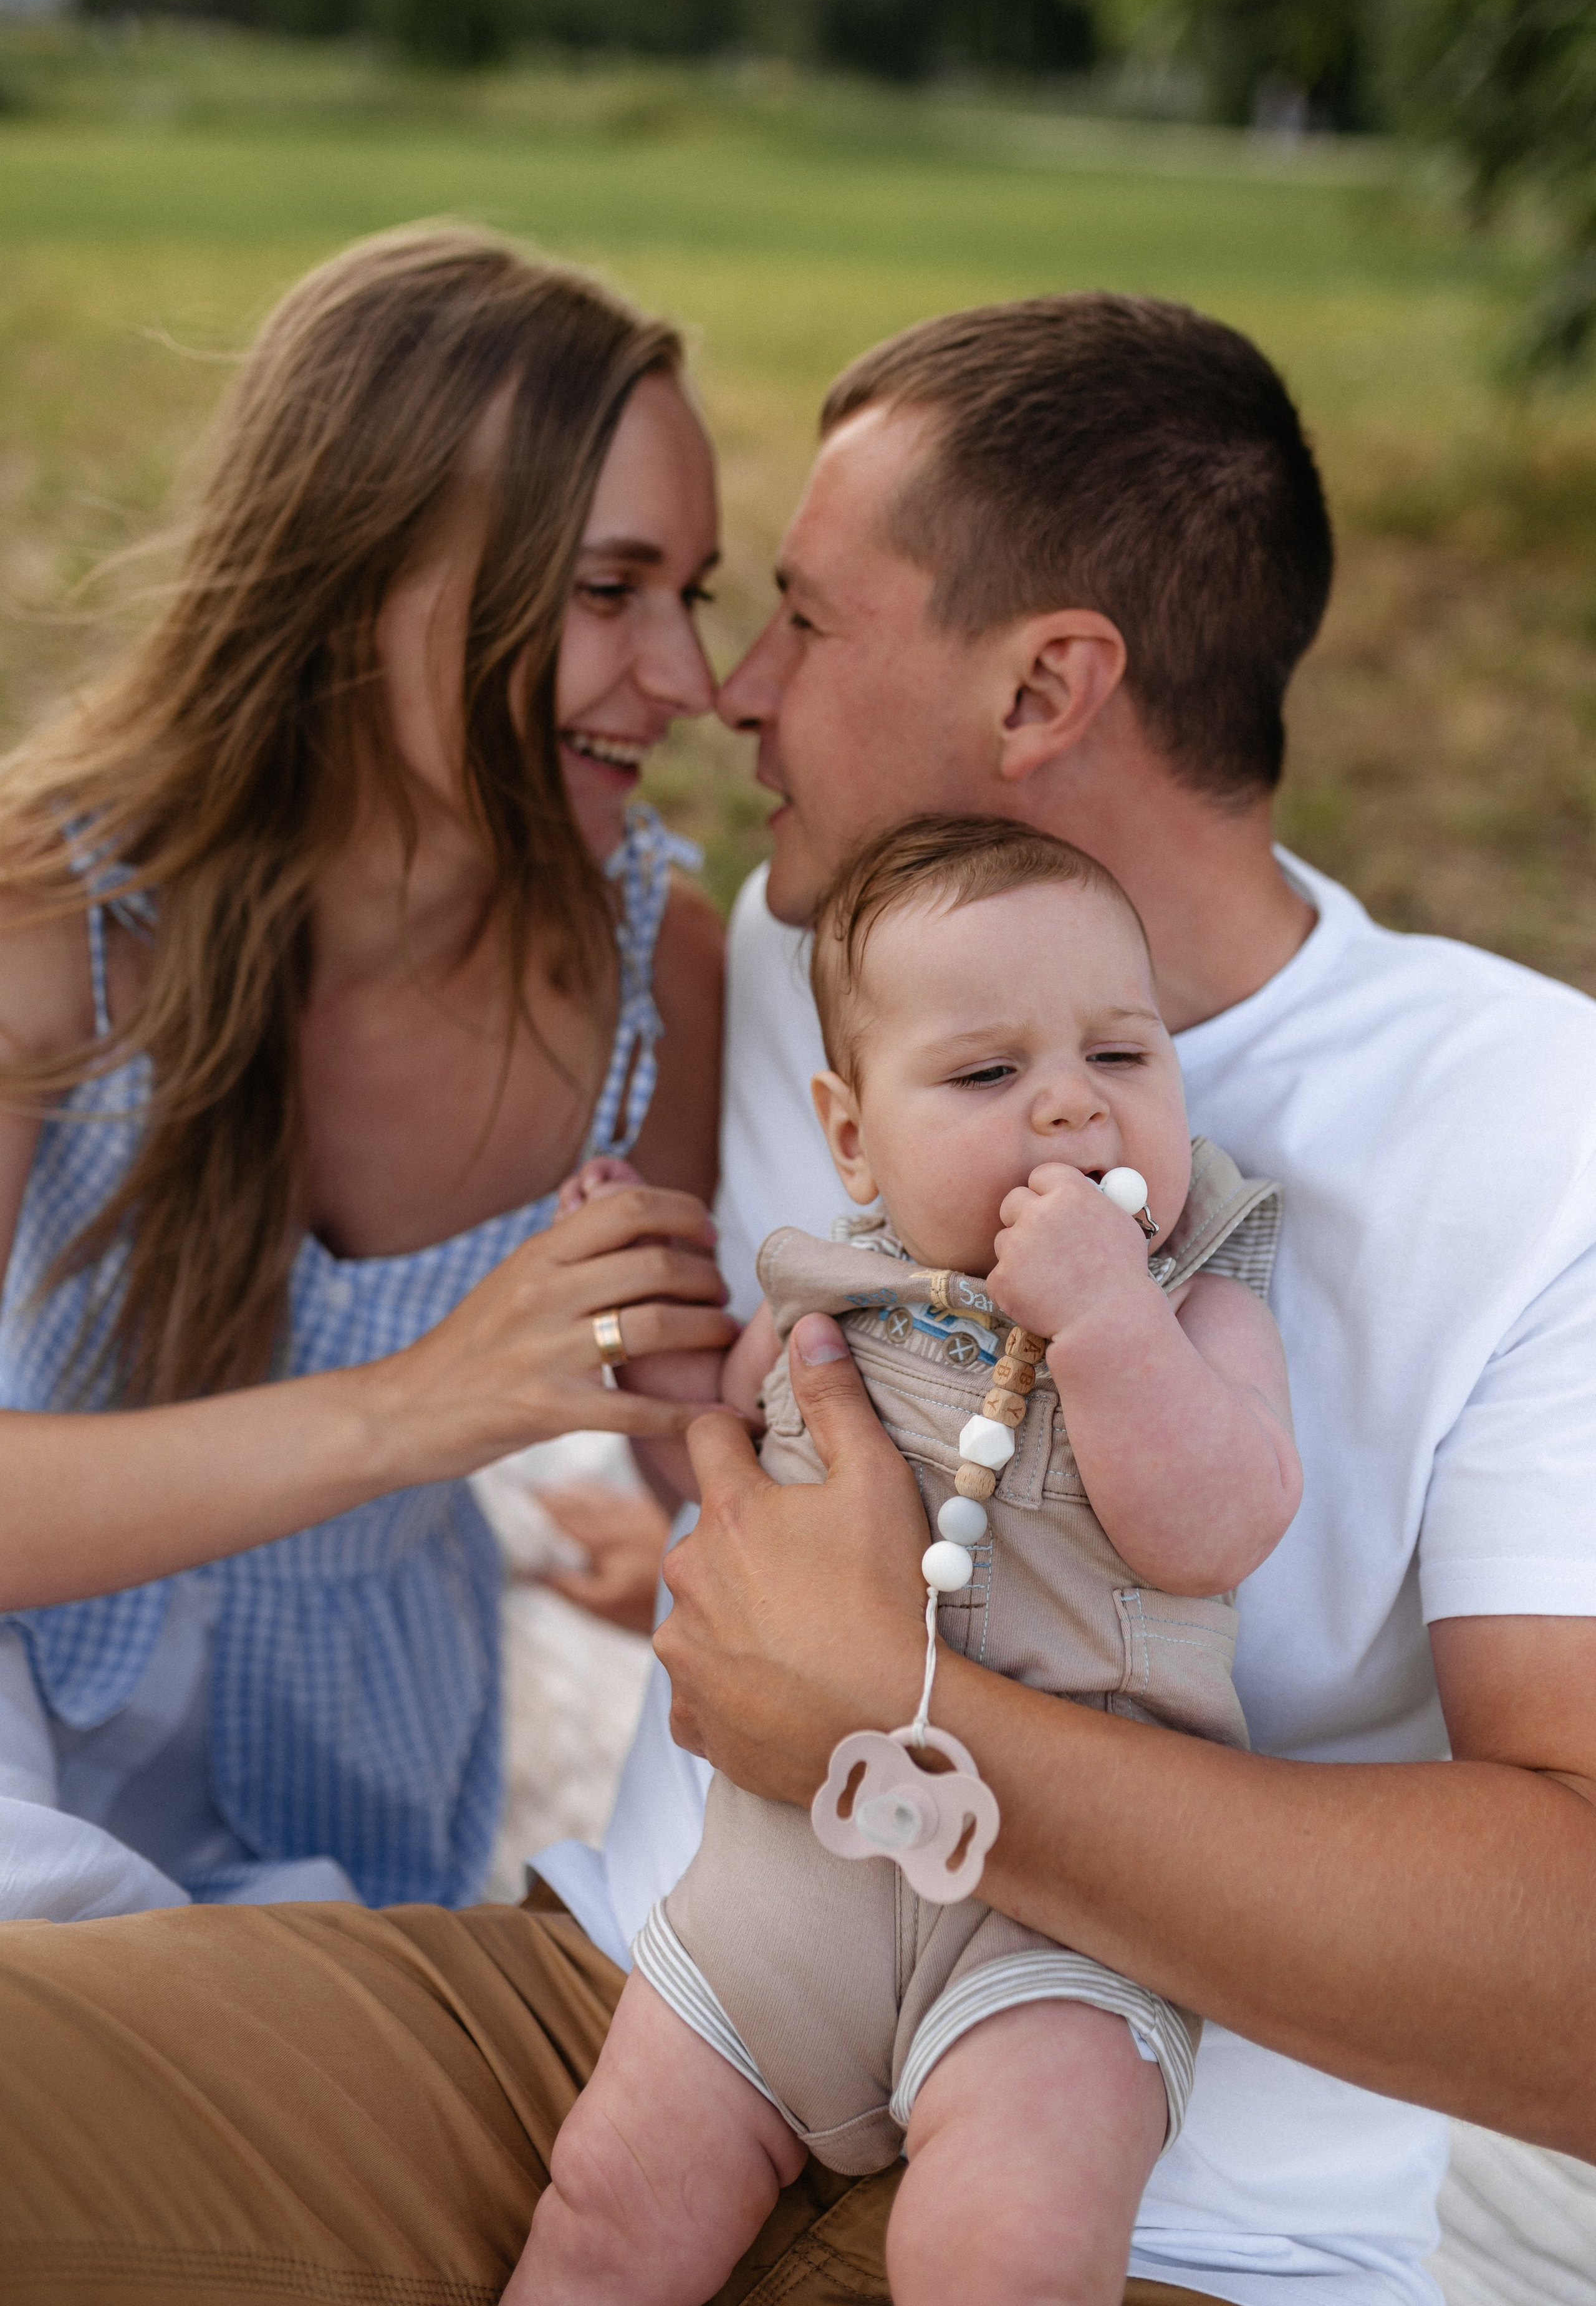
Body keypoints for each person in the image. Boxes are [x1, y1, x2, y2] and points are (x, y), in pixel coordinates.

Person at [2, 291, 1594, 2306]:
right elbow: (346, 875)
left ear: (1044, 689)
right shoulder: (773, 963)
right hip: (617, 2013)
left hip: (1150, 2199)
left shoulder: (1541, 1136)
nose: (726, 690)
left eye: (804, 621)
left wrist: (904, 1707)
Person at [0, 224, 737, 1919]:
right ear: (361, 577)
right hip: (27, 1700)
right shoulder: (55, 919)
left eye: (691, 595)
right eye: (609, 590)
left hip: (364, 1767)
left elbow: (682, 1442)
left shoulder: (652, 984)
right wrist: (418, 1410)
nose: (687, 679)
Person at [520, 814, 1300, 2306]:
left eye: (1120, 1058)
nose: (1071, 1110)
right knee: (607, 2207)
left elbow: (1219, 1525)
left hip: (1060, 1910)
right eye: (988, 1073)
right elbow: (716, 1447)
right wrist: (629, 1298)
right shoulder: (830, 1287)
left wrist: (1106, 1320)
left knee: (999, 2249)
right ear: (853, 1133)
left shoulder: (1196, 1302)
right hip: (776, 1886)